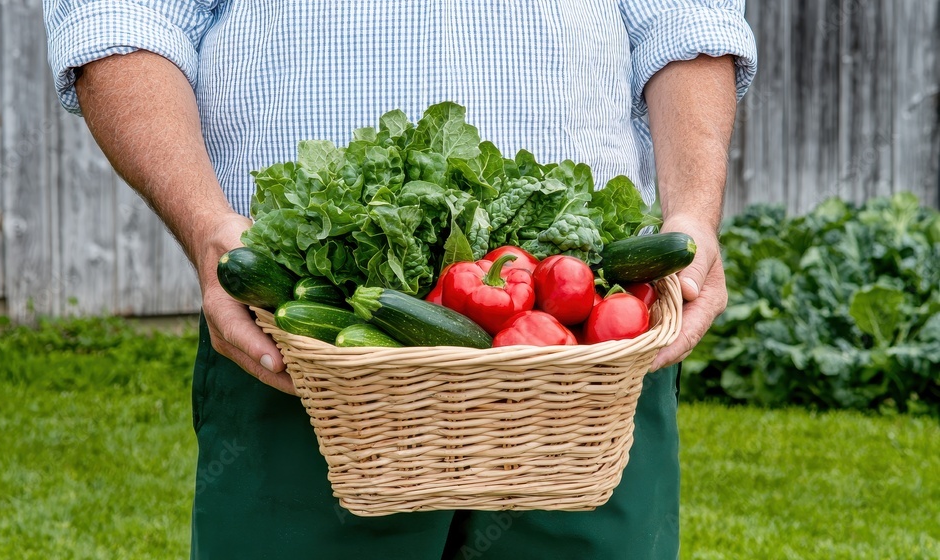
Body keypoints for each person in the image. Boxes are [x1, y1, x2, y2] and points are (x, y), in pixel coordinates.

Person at [45, 2, 756, 558]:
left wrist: (692, 207)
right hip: (305, 335)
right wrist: (207, 224)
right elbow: (120, 18)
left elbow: (685, 17)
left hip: (587, 340)